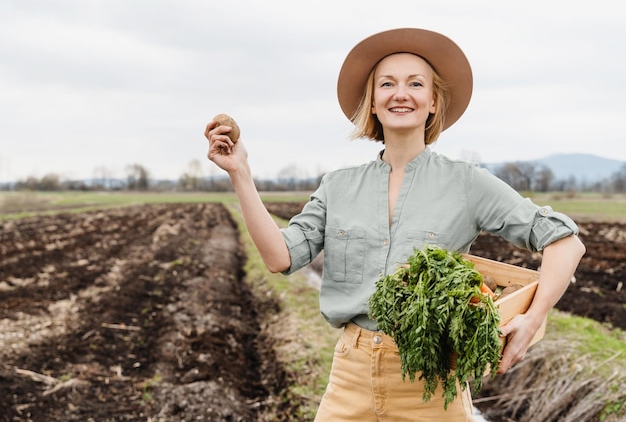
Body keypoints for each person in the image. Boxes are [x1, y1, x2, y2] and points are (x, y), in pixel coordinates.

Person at [204, 28, 586, 421]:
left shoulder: (467, 183)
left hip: (433, 386)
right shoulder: (339, 186)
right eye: (387, 83)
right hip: (350, 379)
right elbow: (279, 257)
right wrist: (241, 173)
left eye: (415, 83)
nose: (400, 93)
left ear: (433, 100)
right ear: (372, 101)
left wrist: (532, 318)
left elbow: (565, 242)